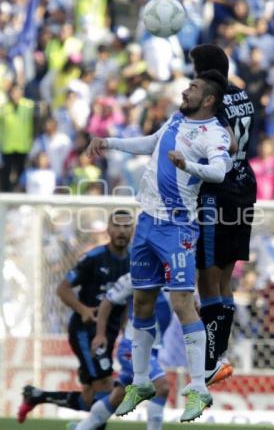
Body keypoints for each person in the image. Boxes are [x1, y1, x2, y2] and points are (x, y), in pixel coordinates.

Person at [86, 69, 232, 422]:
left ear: (208, 99)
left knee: (182, 302)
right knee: (142, 301)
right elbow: (152, 142)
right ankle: (139, 381)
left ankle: (198, 388)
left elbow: (220, 171)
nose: (186, 90)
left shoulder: (214, 134)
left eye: (194, 87)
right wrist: (111, 142)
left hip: (177, 227)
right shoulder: (176, 118)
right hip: (147, 222)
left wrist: (190, 165)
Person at [18, 210, 134, 429]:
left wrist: (125, 328)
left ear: (133, 230)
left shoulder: (134, 261)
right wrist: (82, 309)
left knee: (91, 399)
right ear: (108, 229)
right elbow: (63, 289)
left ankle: (37, 396)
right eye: (117, 226)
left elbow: (128, 300)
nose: (122, 230)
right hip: (85, 331)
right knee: (107, 390)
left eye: (127, 226)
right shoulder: (94, 258)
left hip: (107, 333)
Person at [189, 44, 257, 384]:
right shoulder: (243, 95)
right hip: (245, 184)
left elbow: (227, 143)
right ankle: (219, 353)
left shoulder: (210, 102)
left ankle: (211, 357)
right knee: (225, 275)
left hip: (220, 190)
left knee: (207, 273)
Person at [72, 272, 172, 430]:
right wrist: (99, 335)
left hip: (152, 349)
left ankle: (82, 428)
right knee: (162, 387)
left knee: (117, 396)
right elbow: (107, 302)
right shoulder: (134, 276)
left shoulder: (177, 276)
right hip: (132, 346)